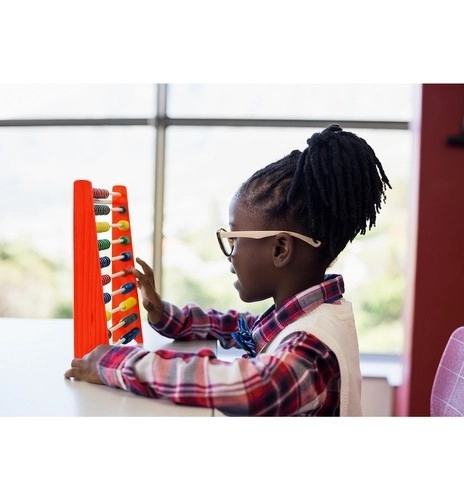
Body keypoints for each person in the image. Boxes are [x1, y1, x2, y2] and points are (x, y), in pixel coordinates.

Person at [65, 124, 391, 416]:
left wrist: (118, 362)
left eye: (234, 239)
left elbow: (249, 387)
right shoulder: (310, 314)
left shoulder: (312, 348)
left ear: (280, 249)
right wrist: (164, 314)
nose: (230, 254)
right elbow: (236, 326)